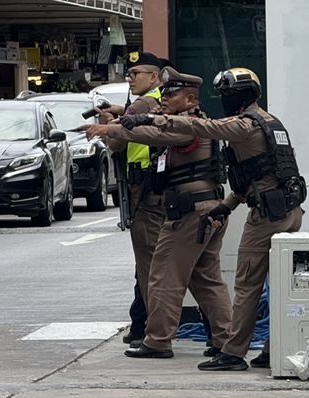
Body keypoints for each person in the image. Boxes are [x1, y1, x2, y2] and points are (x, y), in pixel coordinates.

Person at [119, 68, 307, 369]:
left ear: (238, 97)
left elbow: (204, 128)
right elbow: (256, 177)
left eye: (227, 95)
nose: (224, 101)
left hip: (267, 216)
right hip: (290, 212)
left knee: (247, 285)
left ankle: (232, 353)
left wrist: (149, 118)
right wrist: (227, 206)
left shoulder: (244, 125)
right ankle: (272, 349)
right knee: (281, 286)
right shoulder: (271, 122)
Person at [85, 67, 233, 358]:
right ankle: (224, 338)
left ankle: (158, 340)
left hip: (190, 212)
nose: (164, 98)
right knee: (205, 278)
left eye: (172, 93)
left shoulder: (187, 124)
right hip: (206, 208)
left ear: (191, 99)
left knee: (163, 275)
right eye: (163, 92)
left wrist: (110, 128)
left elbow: (149, 134)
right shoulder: (192, 122)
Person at [96, 52, 167, 347]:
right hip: (156, 189)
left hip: (145, 190)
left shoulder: (143, 103)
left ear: (153, 77)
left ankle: (154, 332)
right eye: (129, 73)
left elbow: (116, 142)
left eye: (136, 73)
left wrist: (107, 125)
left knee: (148, 264)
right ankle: (143, 324)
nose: (130, 78)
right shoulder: (157, 98)